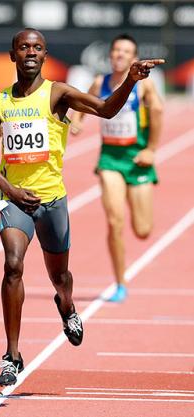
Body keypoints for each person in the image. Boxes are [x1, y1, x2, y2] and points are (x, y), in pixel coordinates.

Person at [0, 28, 164, 387]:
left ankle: (67, 305)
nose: (30, 52)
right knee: (13, 265)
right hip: (14, 201)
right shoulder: (1, 102)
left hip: (52, 201)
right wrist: (8, 188)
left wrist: (130, 82)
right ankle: (12, 356)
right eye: (24, 47)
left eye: (37, 47)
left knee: (60, 278)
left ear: (45, 56)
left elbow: (106, 109)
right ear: (13, 56)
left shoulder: (57, 93)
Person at [71, 34, 163, 302]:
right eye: (117, 51)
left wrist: (151, 150)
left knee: (142, 229)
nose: (120, 55)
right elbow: (81, 101)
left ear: (133, 57)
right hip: (109, 159)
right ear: (110, 55)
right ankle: (120, 283)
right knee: (114, 221)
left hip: (137, 160)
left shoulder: (143, 87)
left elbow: (157, 112)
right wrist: (77, 121)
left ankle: (136, 199)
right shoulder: (100, 82)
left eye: (127, 51)